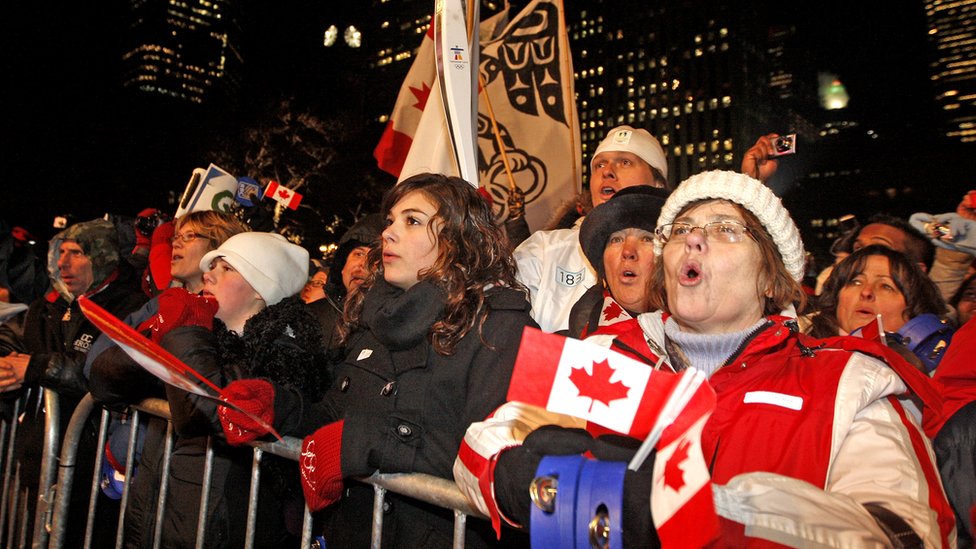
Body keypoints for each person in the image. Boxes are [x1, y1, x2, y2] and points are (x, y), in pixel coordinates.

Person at [455, 171, 955, 547]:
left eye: (725, 230)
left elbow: (903, 530)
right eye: (681, 230)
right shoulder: (606, 355)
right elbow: (481, 442)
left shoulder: (847, 382)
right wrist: (521, 482)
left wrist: (703, 512)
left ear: (770, 278)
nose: (693, 237)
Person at [217, 173, 535, 548]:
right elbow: (335, 417)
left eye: (412, 221)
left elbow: (495, 456)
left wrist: (363, 444)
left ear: (456, 239)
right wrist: (278, 406)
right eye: (390, 221)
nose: (388, 233)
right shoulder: (376, 316)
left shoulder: (500, 326)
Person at [144, 232, 326, 548]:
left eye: (226, 268)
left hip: (222, 526)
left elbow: (199, 411)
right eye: (212, 266)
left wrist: (184, 332)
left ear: (260, 290)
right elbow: (107, 381)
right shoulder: (206, 339)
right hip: (170, 512)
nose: (208, 274)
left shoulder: (280, 354)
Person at [0, 218, 147, 545]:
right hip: (40, 457)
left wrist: (38, 368)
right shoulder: (49, 306)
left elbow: (109, 372)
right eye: (61, 252)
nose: (64, 263)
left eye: (77, 253)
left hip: (91, 468)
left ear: (103, 256)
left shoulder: (129, 307)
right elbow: (22, 347)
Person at [514, 125, 668, 333]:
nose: (607, 172)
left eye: (625, 162)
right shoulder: (544, 249)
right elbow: (506, 325)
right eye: (599, 165)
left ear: (658, 183)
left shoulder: (678, 256)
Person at [567, 186, 669, 338]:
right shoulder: (570, 351)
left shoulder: (708, 339)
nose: (628, 251)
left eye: (647, 239)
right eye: (617, 240)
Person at [307, 213, 384, 357]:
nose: (362, 264)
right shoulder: (309, 316)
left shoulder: (389, 325)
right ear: (342, 267)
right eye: (358, 254)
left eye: (374, 258)